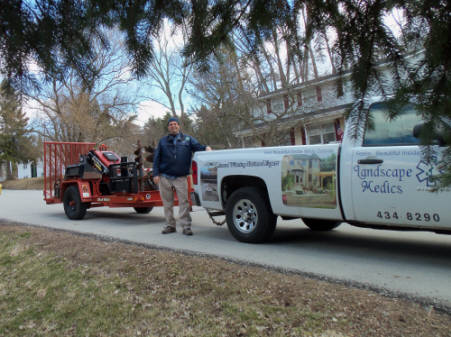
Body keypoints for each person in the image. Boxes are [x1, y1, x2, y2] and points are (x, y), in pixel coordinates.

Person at [153, 117, 211, 235]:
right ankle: (170, 226)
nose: (173, 126)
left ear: (179, 126)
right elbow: (156, 158)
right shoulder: (162, 141)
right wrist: (155, 174)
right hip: (164, 177)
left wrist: (206, 148)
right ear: (168, 127)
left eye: (175, 124)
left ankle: (186, 226)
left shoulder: (188, 139)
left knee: (184, 202)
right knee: (167, 203)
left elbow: (199, 147)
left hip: (181, 177)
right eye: (170, 124)